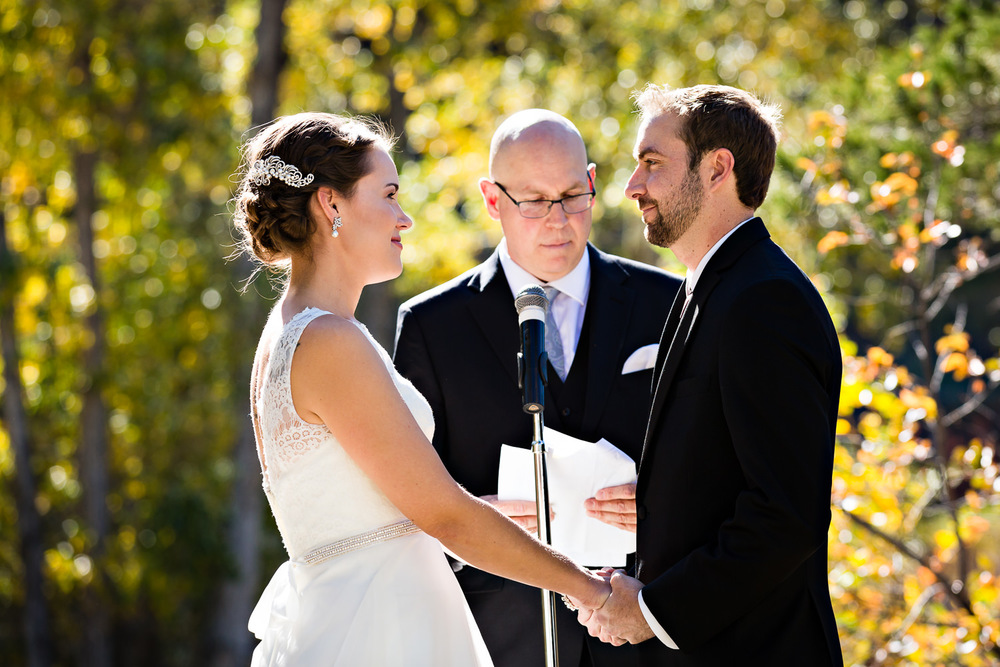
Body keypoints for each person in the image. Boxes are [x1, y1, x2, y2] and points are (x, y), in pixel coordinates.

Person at [232, 112, 611, 667]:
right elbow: (445, 514)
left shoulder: (295, 332)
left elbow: (377, 509)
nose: (404, 218)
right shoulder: (328, 341)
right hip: (379, 633)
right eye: (388, 195)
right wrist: (590, 589)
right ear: (331, 205)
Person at [393, 109, 681, 667]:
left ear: (595, 182)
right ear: (492, 199)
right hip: (497, 643)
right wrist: (470, 521)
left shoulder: (667, 305)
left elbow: (714, 470)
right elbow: (403, 506)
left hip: (639, 641)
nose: (559, 220)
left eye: (574, 195)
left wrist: (663, 508)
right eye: (533, 200)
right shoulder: (432, 326)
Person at [576, 84, 844, 666]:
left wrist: (652, 612)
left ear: (718, 167)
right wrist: (656, 501)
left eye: (652, 163)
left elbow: (785, 515)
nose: (632, 186)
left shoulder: (765, 300)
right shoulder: (708, 289)